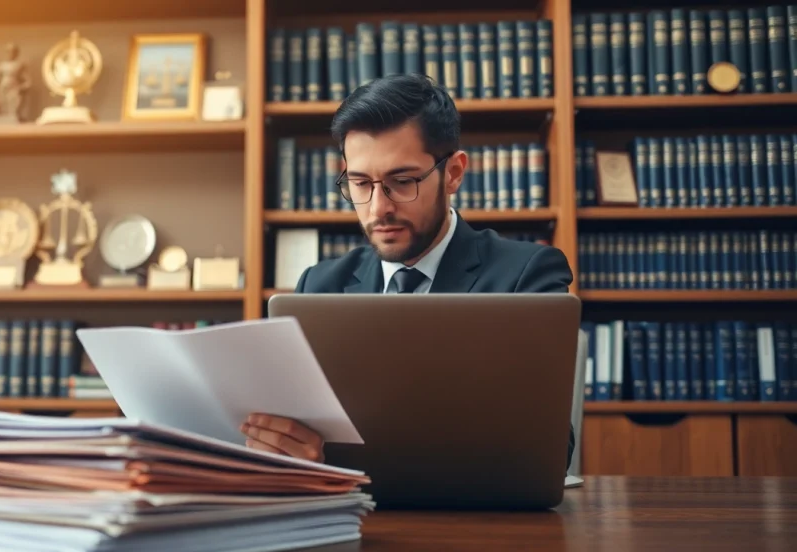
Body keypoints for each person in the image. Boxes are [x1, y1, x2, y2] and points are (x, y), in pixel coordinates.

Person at [240, 73, 575, 466]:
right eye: (361, 183)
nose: (379, 208)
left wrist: (337, 458)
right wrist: (286, 448)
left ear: (453, 173)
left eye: (401, 181)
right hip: (349, 517)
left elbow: (547, 447)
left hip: (478, 520)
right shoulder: (318, 286)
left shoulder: (526, 275)